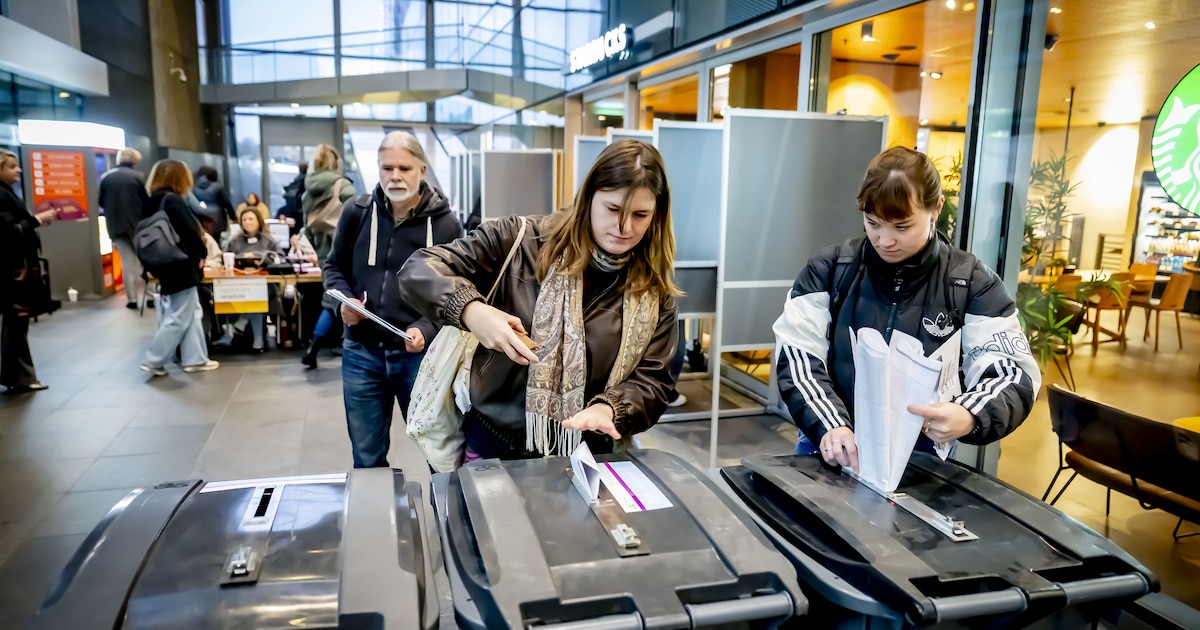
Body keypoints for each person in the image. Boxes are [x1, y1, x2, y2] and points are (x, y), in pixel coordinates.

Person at [400, 139, 681, 462]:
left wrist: (612, 407)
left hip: (589, 456)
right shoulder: (519, 241)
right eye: (613, 209)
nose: (624, 227)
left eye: (640, 215)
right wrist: (470, 310)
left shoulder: (653, 289)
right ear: (588, 198)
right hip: (494, 445)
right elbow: (418, 269)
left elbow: (655, 380)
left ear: (656, 216)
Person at [773, 147, 1040, 472]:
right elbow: (799, 357)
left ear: (936, 208)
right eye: (873, 223)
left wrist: (969, 414)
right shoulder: (829, 269)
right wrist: (831, 424)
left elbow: (1012, 372)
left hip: (919, 459)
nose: (884, 240)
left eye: (901, 227)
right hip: (832, 445)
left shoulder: (970, 282)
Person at [323, 131, 463, 468]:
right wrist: (344, 302)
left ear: (422, 172)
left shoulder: (446, 226)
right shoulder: (356, 212)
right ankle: (376, 519)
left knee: (440, 454)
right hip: (361, 353)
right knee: (367, 455)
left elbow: (457, 291)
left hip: (419, 358)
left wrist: (426, 328)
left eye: (404, 168)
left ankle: (449, 517)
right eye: (387, 168)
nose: (395, 176)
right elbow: (333, 267)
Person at [139, 160, 219, 376]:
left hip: (163, 262)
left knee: (192, 311)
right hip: (181, 263)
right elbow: (190, 233)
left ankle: (195, 359)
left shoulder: (151, 202)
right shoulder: (173, 200)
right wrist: (202, 254)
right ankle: (153, 359)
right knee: (180, 315)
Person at [0, 149, 56, 393]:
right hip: (12, 269)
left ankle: (15, 375)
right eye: (12, 166)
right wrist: (36, 220)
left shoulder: (7, 194)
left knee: (15, 324)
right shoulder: (2, 196)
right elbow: (7, 232)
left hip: (15, 267)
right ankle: (22, 376)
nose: (18, 170)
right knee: (17, 322)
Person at [299, 143, 355, 369]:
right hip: (346, 250)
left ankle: (315, 347)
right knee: (344, 298)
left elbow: (308, 228)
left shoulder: (307, 192)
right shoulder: (343, 186)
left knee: (331, 297)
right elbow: (357, 218)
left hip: (324, 251)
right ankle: (321, 345)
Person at [223, 207, 283, 353]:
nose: (247, 222)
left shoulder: (268, 239)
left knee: (258, 293)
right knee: (255, 295)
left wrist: (261, 258)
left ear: (258, 221)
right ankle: (258, 341)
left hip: (265, 285)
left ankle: (244, 321)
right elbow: (224, 258)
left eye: (251, 219)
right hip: (239, 285)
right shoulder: (235, 241)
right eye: (244, 220)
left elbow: (280, 258)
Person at [98, 147, 151, 309]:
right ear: (135, 161)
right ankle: (150, 297)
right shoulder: (139, 177)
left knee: (127, 262)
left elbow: (101, 202)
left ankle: (132, 299)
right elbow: (147, 202)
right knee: (147, 261)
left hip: (116, 226)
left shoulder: (106, 177)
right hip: (139, 226)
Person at [193, 165, 235, 239]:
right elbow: (226, 202)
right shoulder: (218, 186)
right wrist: (233, 217)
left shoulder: (194, 187)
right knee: (216, 240)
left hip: (201, 217)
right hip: (217, 218)